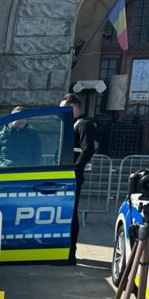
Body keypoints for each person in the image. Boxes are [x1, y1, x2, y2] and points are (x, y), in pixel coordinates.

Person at [60, 93, 97, 264]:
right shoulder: (73, 124)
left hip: (73, 176)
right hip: (66, 174)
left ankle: (71, 253)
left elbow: (87, 149)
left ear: (74, 107)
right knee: (65, 212)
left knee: (71, 212)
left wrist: (75, 169)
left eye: (64, 109)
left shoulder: (84, 125)